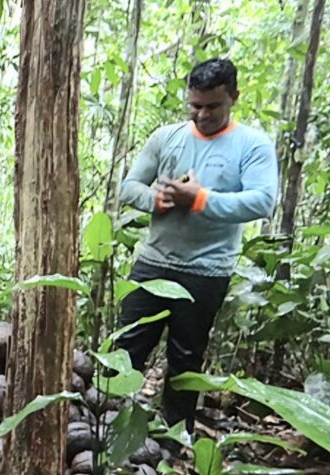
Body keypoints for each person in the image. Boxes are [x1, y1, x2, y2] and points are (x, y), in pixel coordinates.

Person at [117, 57, 278, 434]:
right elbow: (128, 187)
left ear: (234, 97)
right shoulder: (166, 137)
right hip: (153, 262)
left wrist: (201, 199)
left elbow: (261, 201)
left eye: (212, 106)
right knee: (125, 350)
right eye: (195, 105)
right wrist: (154, 200)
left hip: (206, 271)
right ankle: (106, 428)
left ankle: (174, 440)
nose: (201, 114)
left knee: (185, 360)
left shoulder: (253, 145)